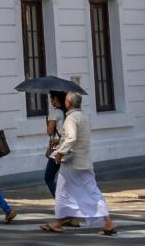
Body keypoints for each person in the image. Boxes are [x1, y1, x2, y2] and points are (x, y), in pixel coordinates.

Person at [42, 92, 113, 234]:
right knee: (94, 192)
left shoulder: (71, 118)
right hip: (85, 160)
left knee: (62, 191)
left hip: (71, 163)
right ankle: (108, 222)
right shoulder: (85, 117)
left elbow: (71, 138)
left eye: (66, 100)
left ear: (69, 103)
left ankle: (58, 223)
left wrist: (60, 152)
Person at [43, 92, 64, 193]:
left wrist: (48, 122)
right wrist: (49, 149)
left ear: (56, 98)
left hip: (58, 150)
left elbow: (50, 132)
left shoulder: (54, 112)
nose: (51, 101)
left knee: (48, 178)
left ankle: (61, 204)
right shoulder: (68, 112)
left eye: (51, 98)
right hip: (69, 148)